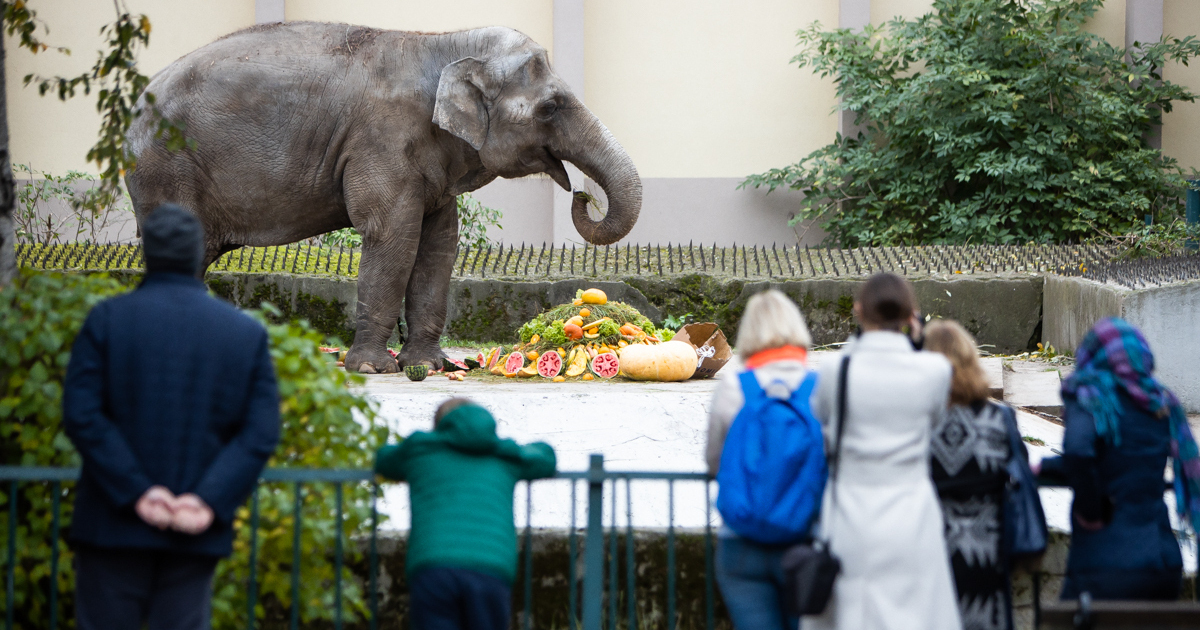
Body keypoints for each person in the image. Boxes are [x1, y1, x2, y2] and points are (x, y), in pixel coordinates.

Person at [62, 204, 281, 630]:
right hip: (194, 531)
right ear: (198, 252)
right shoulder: (244, 333)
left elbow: (82, 415)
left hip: (112, 524)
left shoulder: (107, 320)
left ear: (147, 251)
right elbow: (260, 432)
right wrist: (206, 500)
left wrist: (138, 492)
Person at [804, 273, 962, 630]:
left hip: (849, 513)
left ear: (858, 311)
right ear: (911, 316)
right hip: (911, 513)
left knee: (851, 615)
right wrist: (917, 341)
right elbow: (935, 422)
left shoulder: (835, 369)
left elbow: (823, 416)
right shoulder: (935, 371)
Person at [1038, 317, 1197, 600]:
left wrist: (1091, 512)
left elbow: (1079, 452)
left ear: (1092, 354)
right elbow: (1124, 461)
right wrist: (1048, 466)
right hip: (1162, 562)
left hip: (1104, 566)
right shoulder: (1161, 403)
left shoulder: (1091, 396)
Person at [375, 398, 556, 630]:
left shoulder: (420, 449)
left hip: (434, 565)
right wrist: (509, 448)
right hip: (491, 567)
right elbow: (546, 457)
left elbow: (382, 458)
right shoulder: (503, 455)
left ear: (440, 426)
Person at [706, 289, 819, 630]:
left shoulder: (732, 388)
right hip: (805, 542)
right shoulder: (821, 387)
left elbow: (714, 462)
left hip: (741, 543)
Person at [925, 320, 1029, 630]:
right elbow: (1020, 472)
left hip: (929, 553)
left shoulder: (919, 424)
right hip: (986, 555)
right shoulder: (999, 419)